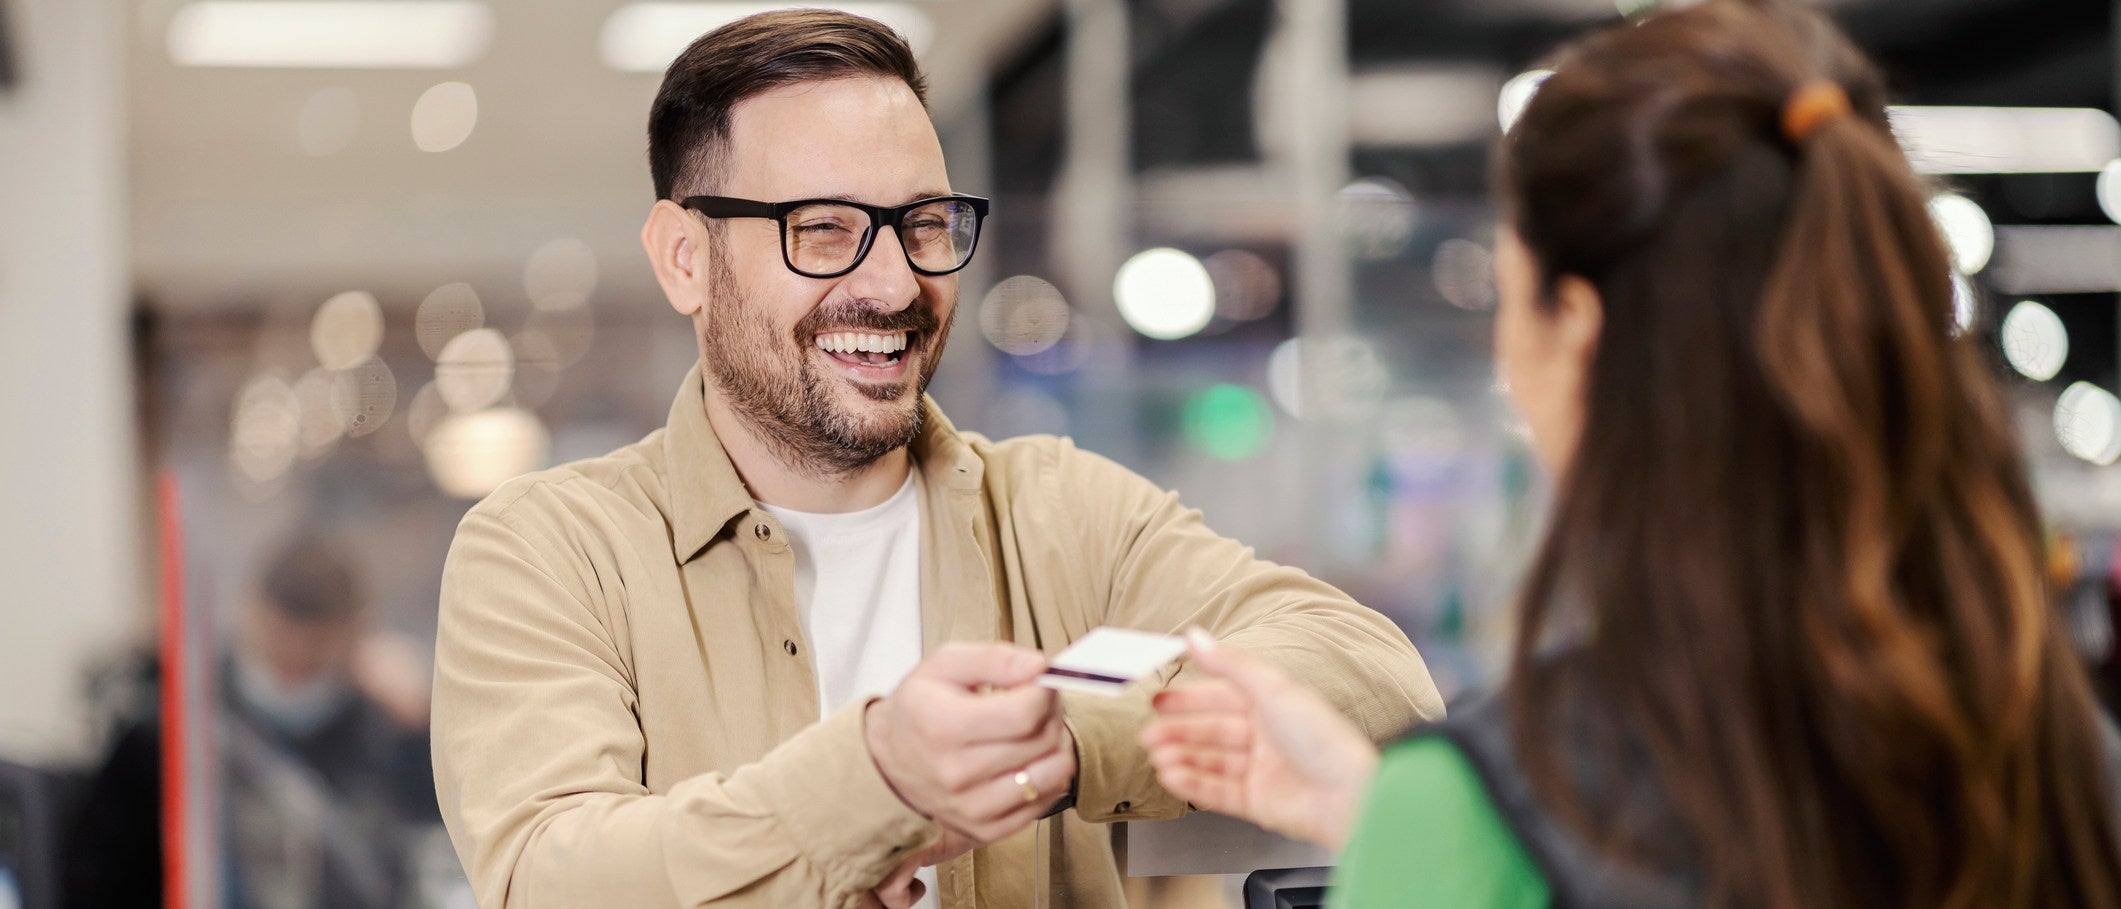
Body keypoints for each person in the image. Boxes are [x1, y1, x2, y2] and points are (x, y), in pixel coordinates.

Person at [428, 9, 1442, 909]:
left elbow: (1370, 671)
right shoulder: (553, 550)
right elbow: (548, 874)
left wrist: (1076, 738)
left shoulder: (1057, 510)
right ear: (685, 258)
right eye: (822, 230)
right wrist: (876, 778)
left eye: (922, 223)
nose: (895, 280)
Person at [1142, 2, 2121, 906]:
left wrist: (1432, 830)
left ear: (1578, 327)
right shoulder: (2053, 753)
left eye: (1510, 288)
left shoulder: (1479, 809)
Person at [66, 536, 437, 909]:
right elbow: (96, 879)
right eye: (278, 655)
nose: (292, 673)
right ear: (250, 613)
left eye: (310, 664)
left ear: (355, 637)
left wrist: (422, 725)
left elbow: (427, 853)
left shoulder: (381, 742)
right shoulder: (169, 734)